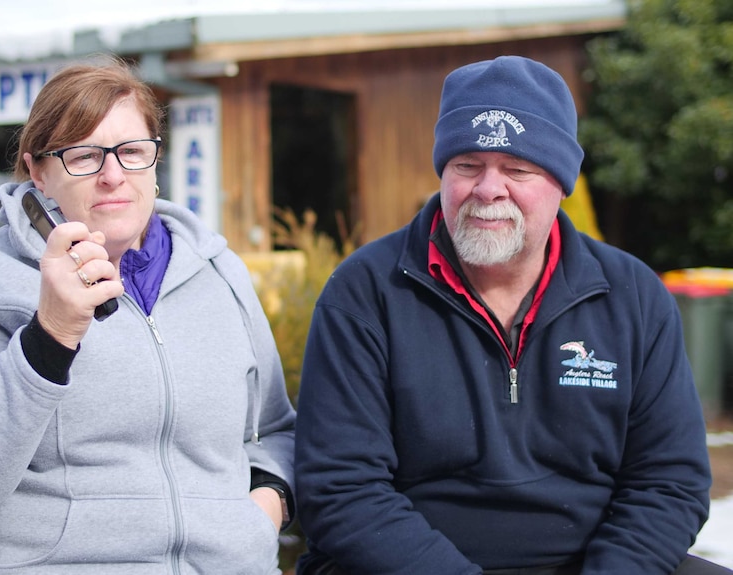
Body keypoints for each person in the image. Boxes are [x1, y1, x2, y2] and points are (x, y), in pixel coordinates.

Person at [294, 55, 730, 575]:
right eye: (466, 166)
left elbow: (669, 481)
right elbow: (341, 489)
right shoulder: (367, 290)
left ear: (561, 185)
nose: (487, 189)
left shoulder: (632, 295)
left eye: (517, 169)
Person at [0, 58, 295, 575]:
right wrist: (50, 336)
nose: (113, 176)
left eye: (132, 152)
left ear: (155, 161)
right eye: (84, 156)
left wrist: (265, 510)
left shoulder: (218, 270)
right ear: (39, 172)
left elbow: (275, 429)